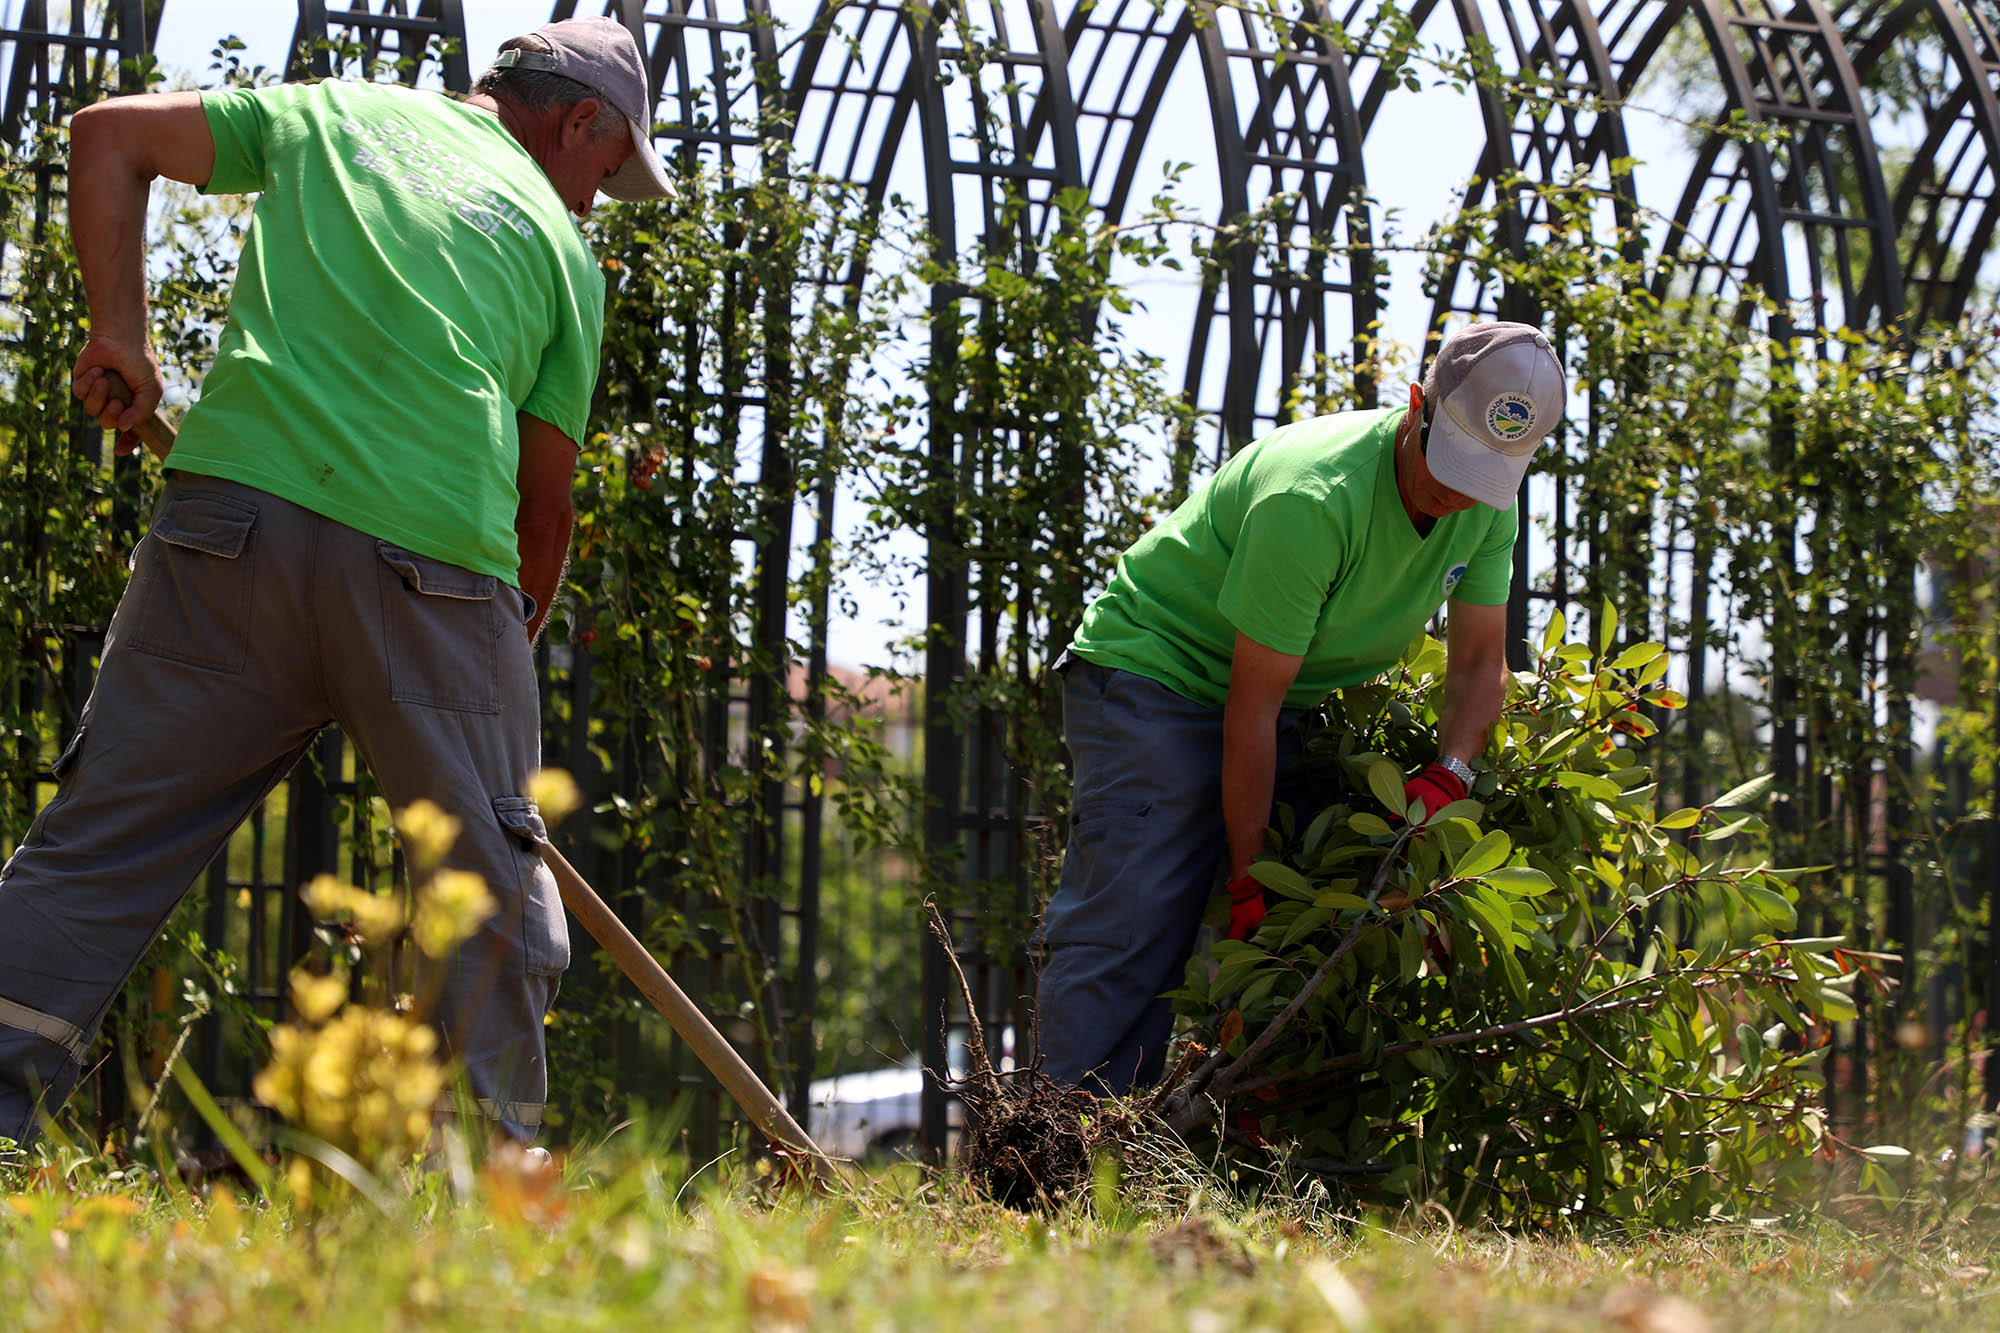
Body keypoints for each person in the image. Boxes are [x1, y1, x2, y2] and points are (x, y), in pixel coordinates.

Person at [0, 17, 674, 1146]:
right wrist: (497, 653)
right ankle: (482, 1179)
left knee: (102, 845)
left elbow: (108, 134)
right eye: (604, 174)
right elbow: (543, 508)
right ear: (576, 124)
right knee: (487, 890)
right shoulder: (562, 256)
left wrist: (121, 332)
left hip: (229, 535)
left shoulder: (336, 111)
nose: (594, 203)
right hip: (433, 572)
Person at [1035, 321, 1566, 1095]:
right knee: (1136, 922)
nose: (1457, 492)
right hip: (1157, 673)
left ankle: (1234, 1137)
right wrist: (1249, 882)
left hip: (1286, 697)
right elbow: (1251, 707)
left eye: (1483, 475)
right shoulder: (1313, 497)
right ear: (1416, 406)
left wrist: (1449, 773)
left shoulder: (1490, 505)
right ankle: (1059, 1140)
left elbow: (1482, 663)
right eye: (1449, 459)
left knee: (1320, 906)